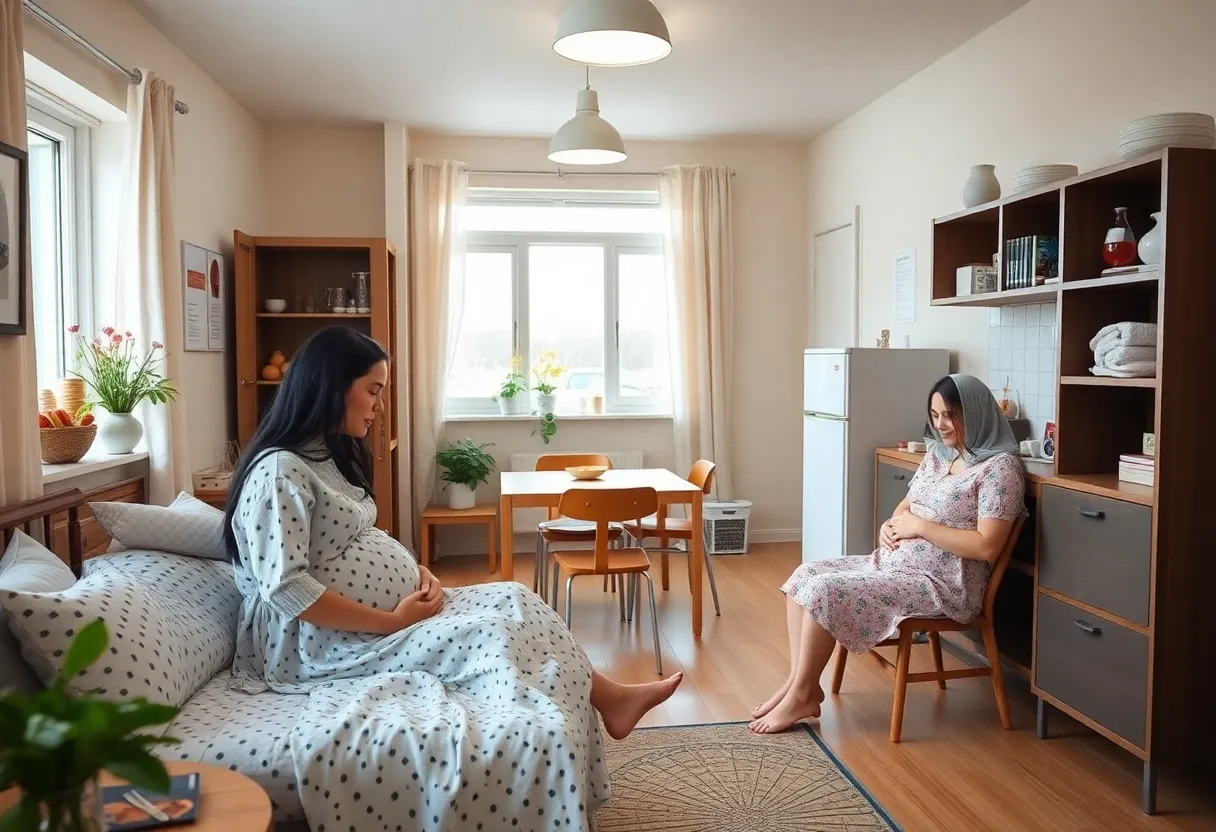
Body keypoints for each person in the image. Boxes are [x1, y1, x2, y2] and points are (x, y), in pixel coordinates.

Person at [221, 326, 682, 827]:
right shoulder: (278, 474)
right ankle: (593, 708)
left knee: (514, 596)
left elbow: (354, 542)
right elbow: (287, 589)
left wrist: (413, 572)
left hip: (378, 618)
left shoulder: (322, 457)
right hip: (317, 643)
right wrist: (390, 621)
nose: (378, 406)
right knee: (491, 631)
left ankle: (610, 697)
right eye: (372, 390)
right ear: (331, 386)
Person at [750, 373, 1025, 734]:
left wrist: (920, 527)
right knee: (804, 575)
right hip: (896, 565)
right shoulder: (938, 456)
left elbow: (987, 546)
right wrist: (890, 525)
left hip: (942, 585)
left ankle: (801, 692)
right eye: (934, 414)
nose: (940, 424)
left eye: (950, 415)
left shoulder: (999, 470)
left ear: (975, 413)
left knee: (824, 591)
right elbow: (905, 508)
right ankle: (799, 682)